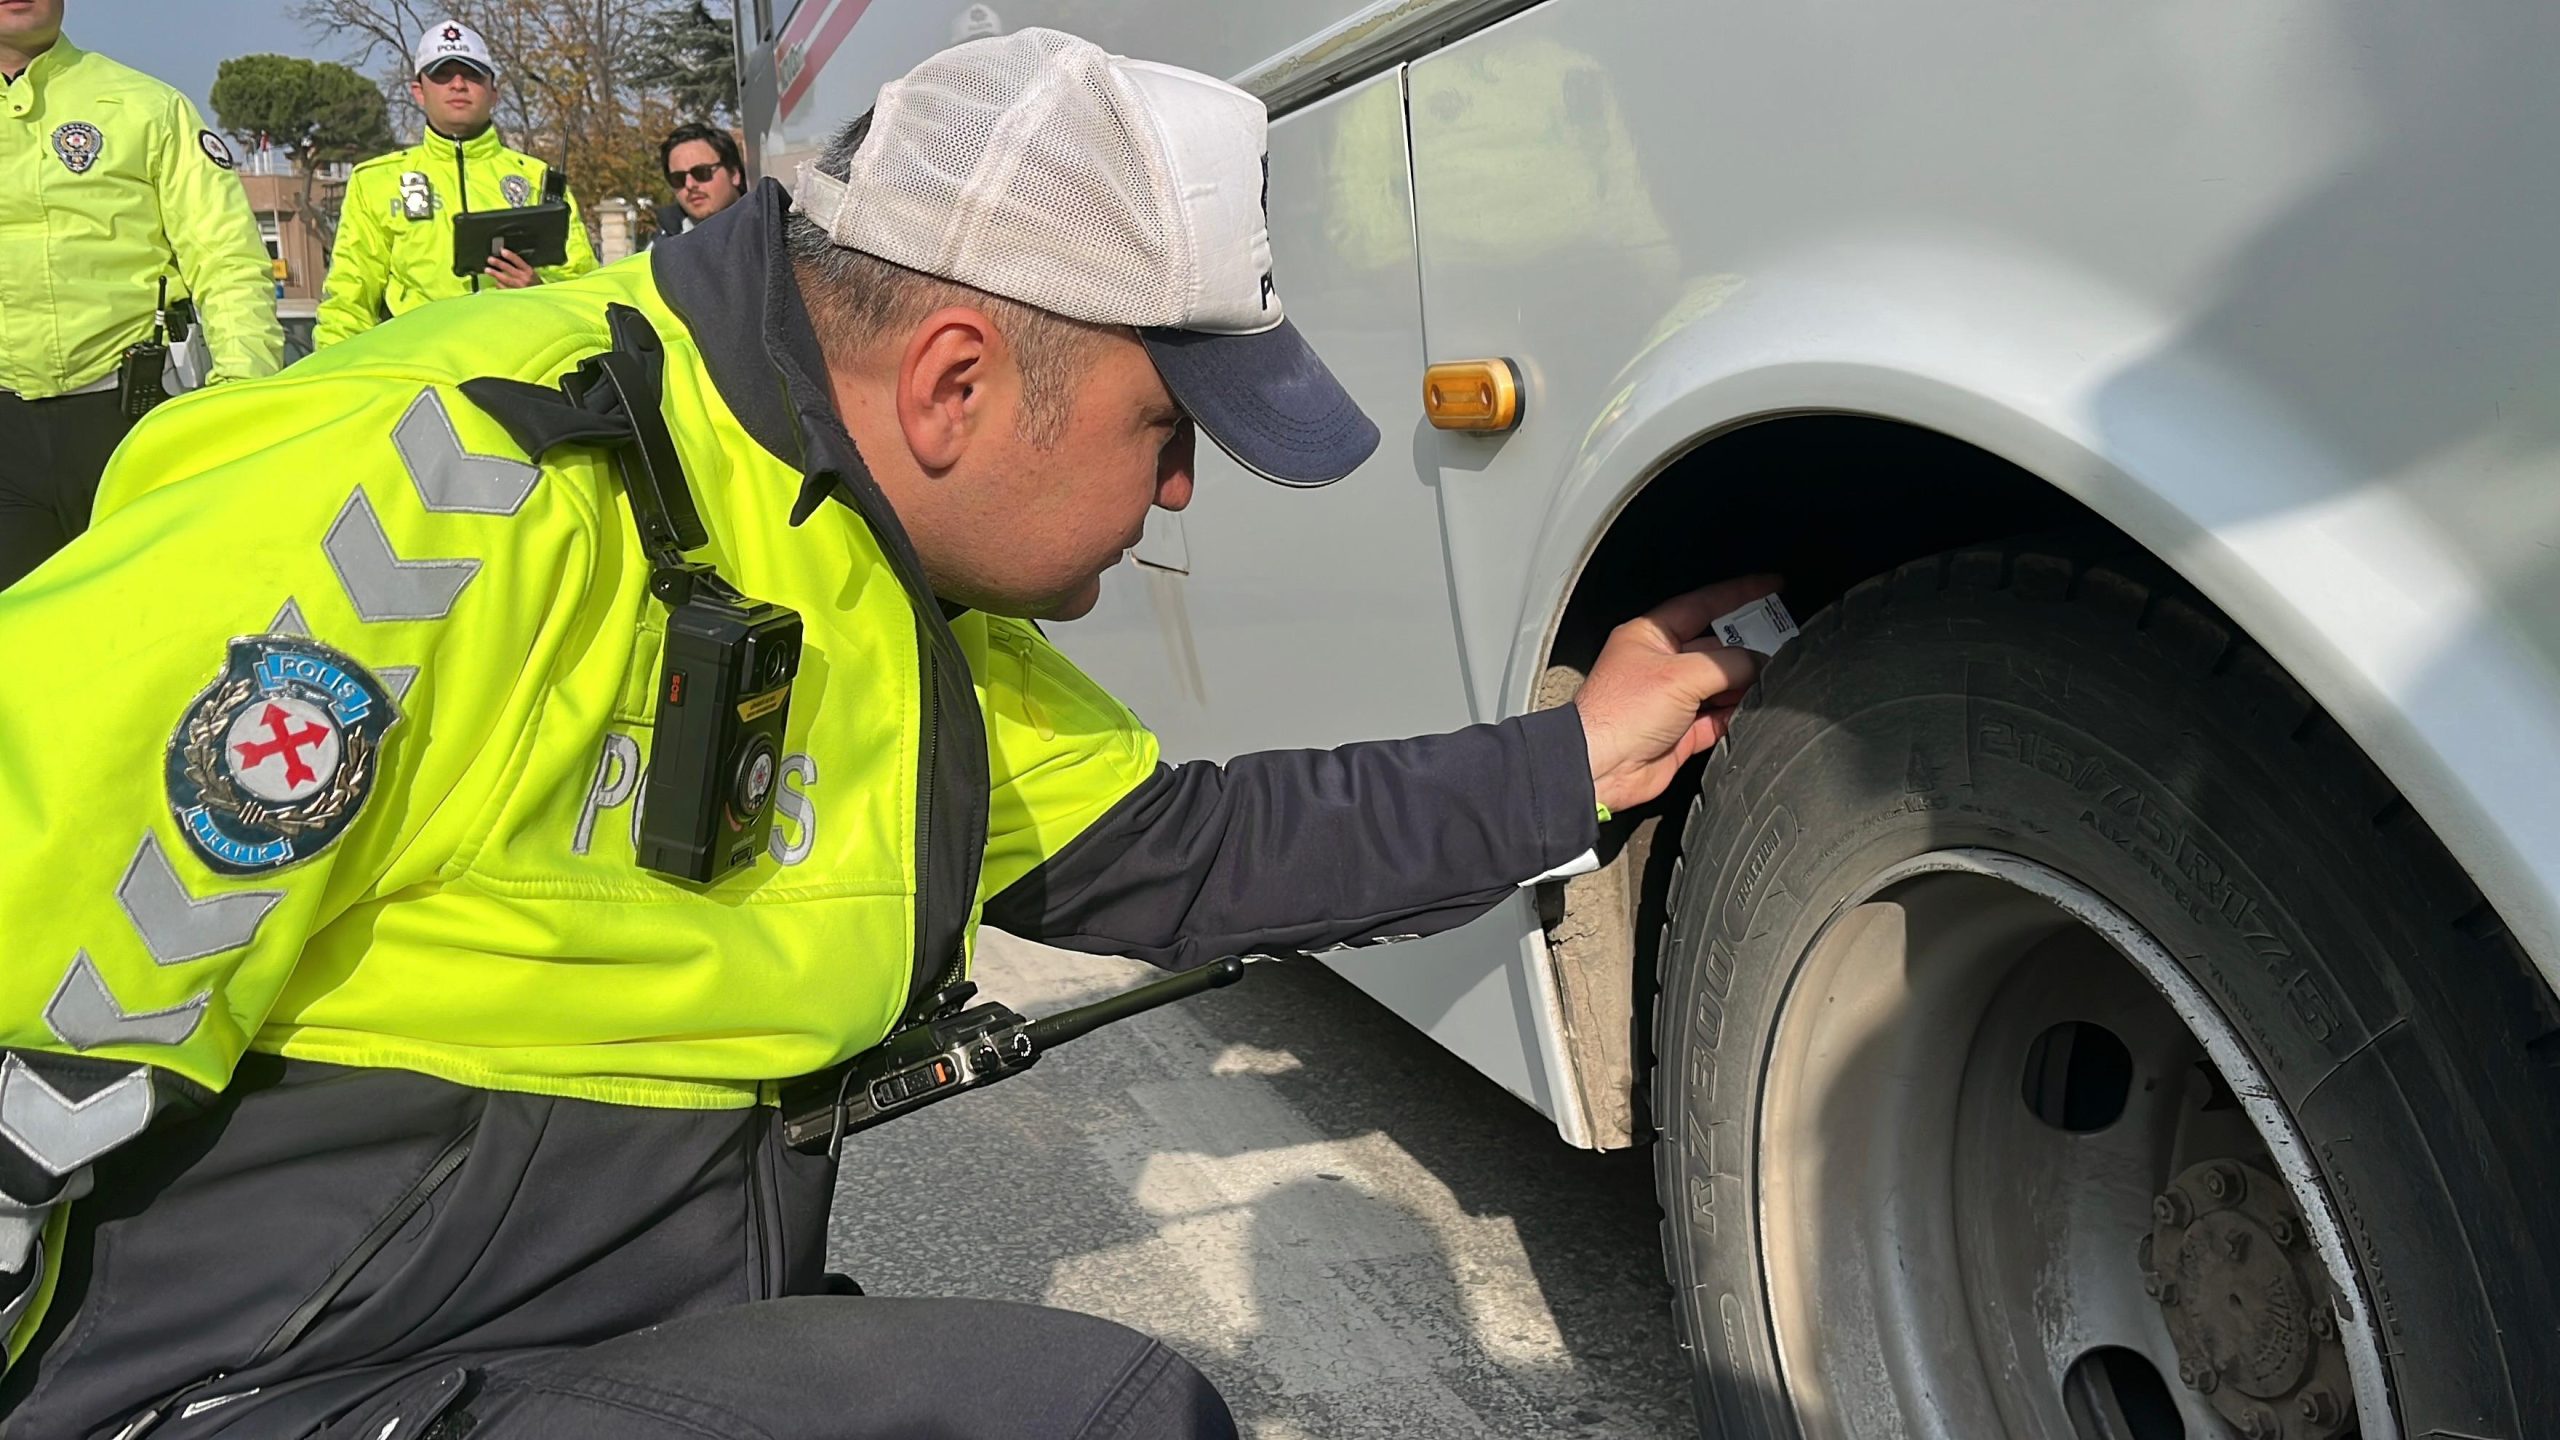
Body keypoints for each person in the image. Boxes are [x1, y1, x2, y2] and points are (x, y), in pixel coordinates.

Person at [0, 28, 1770, 1439]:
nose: (1177, 495)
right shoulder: (421, 498)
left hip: (569, 1324)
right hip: (242, 1378)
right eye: (1168, 432)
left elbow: (1183, 851)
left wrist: (1573, 759)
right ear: (951, 385)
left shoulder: (867, 561)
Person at [0, 0, 281, 589]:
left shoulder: (150, 107)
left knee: (151, 640)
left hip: (132, 425)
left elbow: (227, 259)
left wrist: (240, 398)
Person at [312, 18, 598, 349]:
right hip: (419, 373)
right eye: (443, 74)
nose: (458, 84)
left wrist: (537, 287)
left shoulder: (539, 180)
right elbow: (348, 302)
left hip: (522, 370)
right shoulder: (375, 183)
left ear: (494, 93)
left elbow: (587, 289)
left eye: (473, 74)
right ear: (418, 91)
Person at [649, 121, 745, 246]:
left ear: (734, 174)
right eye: (678, 178)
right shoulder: (661, 251)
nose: (689, 185)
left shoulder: (769, 226)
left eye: (702, 173)